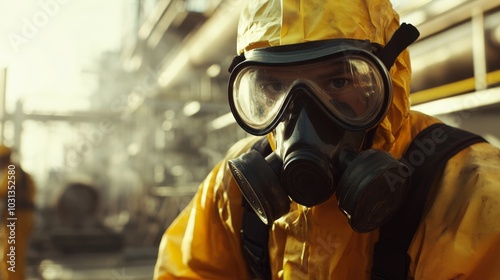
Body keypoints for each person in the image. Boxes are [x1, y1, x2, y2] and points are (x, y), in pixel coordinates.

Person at [153, 0, 500, 279]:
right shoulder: (230, 191)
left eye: (338, 82)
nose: (303, 117)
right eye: (274, 86)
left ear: (390, 77)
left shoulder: (475, 197)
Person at [0, 144, 36, 280]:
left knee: (11, 256)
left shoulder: (11, 172)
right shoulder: (21, 173)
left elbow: (3, 192)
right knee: (16, 255)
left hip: (16, 219)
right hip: (23, 218)